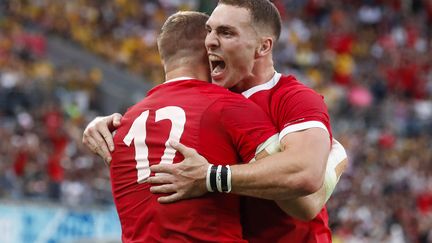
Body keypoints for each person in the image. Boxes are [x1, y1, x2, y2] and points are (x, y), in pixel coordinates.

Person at [83, 1, 348, 242]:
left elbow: (306, 186)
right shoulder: (212, 101)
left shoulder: (293, 98)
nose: (209, 41)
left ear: (263, 46)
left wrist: (211, 176)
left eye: (226, 32)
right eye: (209, 31)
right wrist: (105, 125)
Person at [105, 11, 281, 242]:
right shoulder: (228, 106)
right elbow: (288, 177)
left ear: (164, 57)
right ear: (210, 51)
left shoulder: (121, 125)